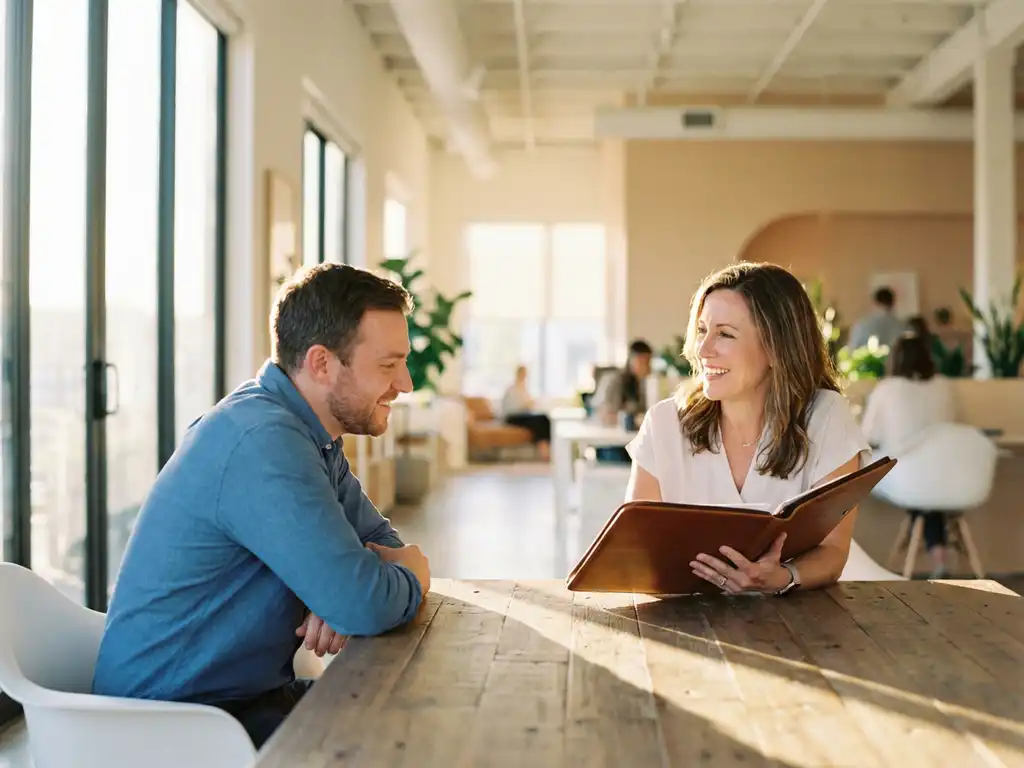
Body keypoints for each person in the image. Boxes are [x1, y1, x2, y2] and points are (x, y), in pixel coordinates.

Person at [92, 264, 431, 748]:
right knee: (403, 740)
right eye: (387, 365)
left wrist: (345, 592)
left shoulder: (308, 434)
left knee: (406, 717)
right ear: (321, 364)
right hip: (173, 727)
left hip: (238, 701)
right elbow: (368, 597)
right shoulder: (263, 441)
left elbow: (377, 546)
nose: (406, 383)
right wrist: (411, 573)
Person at [625, 262, 871, 595]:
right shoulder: (664, 425)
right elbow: (634, 554)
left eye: (724, 334)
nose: (704, 349)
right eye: (702, 330)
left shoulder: (825, 417)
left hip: (795, 628)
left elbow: (833, 551)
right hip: (682, 623)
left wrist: (782, 577)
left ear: (775, 348)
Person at [860, 332, 956, 578]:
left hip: (903, 477)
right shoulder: (943, 386)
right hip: (947, 475)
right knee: (927, 492)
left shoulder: (887, 389)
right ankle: (938, 553)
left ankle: (933, 554)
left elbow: (868, 435)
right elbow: (952, 425)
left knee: (919, 488)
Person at [590, 339, 653, 462]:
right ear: (631, 360)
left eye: (648, 362)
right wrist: (633, 420)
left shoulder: (644, 384)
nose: (646, 367)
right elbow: (605, 415)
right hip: (610, 444)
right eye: (642, 361)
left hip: (631, 441)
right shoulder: (615, 381)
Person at [501, 364, 551, 460]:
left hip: (522, 414)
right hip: (512, 416)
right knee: (540, 420)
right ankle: (543, 449)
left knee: (544, 418)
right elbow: (514, 408)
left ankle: (545, 447)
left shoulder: (524, 388)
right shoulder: (512, 389)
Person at [848, 286, 909, 351]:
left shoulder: (861, 325)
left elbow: (852, 349)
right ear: (892, 303)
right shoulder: (904, 327)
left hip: (868, 360)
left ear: (875, 303)